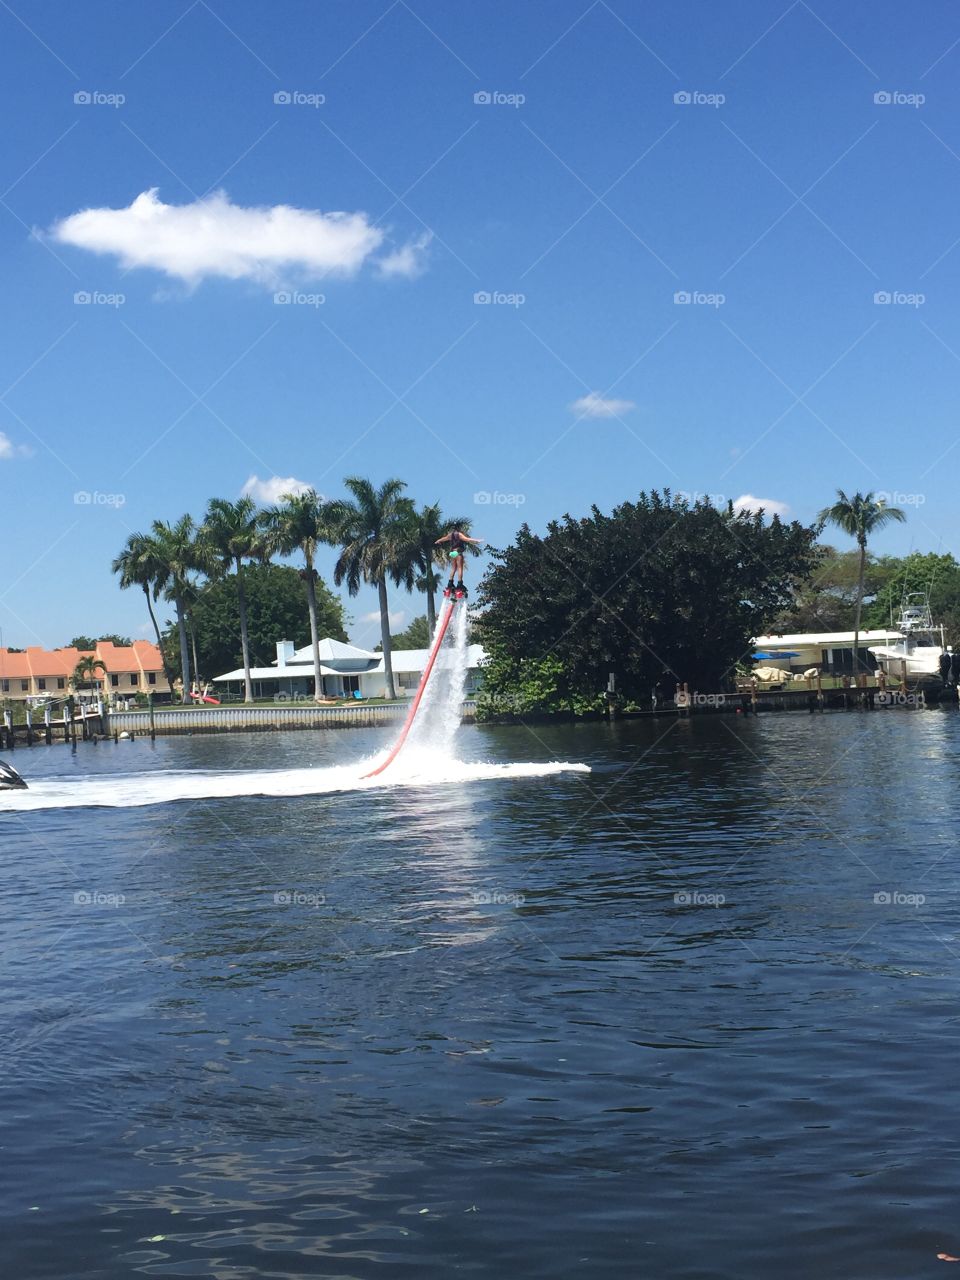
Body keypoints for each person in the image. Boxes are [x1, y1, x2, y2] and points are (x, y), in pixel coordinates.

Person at [435, 525, 484, 597]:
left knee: (453, 568)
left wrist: (438, 541)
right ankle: (459, 583)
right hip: (458, 552)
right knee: (460, 568)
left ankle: (450, 583)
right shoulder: (459, 534)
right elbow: (467, 539)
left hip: (452, 553)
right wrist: (477, 540)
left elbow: (443, 538)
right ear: (458, 529)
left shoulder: (450, 535)